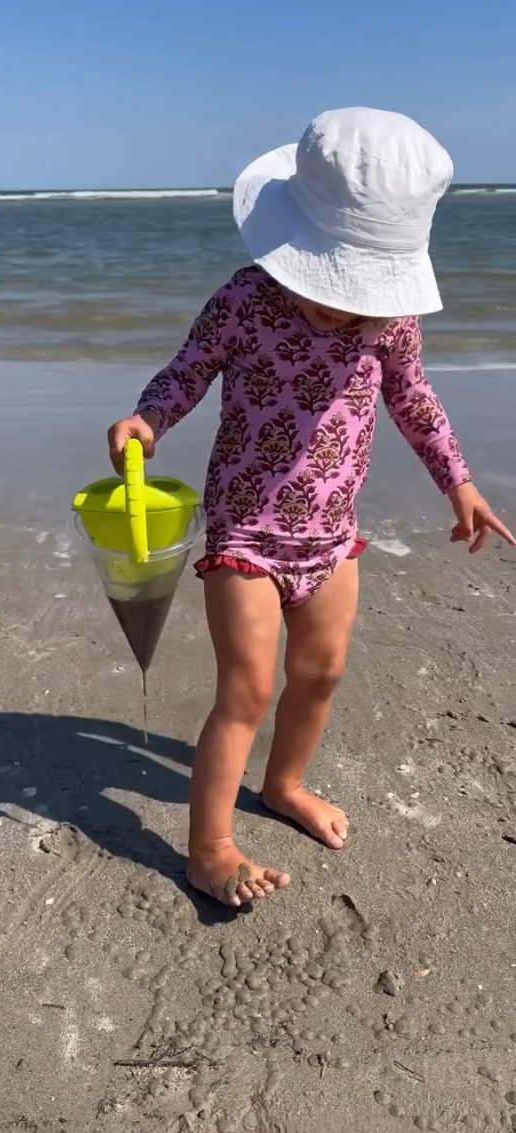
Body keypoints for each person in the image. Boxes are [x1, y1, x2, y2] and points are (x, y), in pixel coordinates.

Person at [107, 107, 515, 908]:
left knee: (320, 672)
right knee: (248, 688)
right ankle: (210, 845)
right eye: (331, 281)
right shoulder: (248, 298)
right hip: (246, 532)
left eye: (361, 289)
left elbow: (414, 399)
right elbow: (188, 369)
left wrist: (457, 480)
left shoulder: (390, 322)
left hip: (331, 534)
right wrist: (148, 418)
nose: (343, 307)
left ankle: (284, 783)